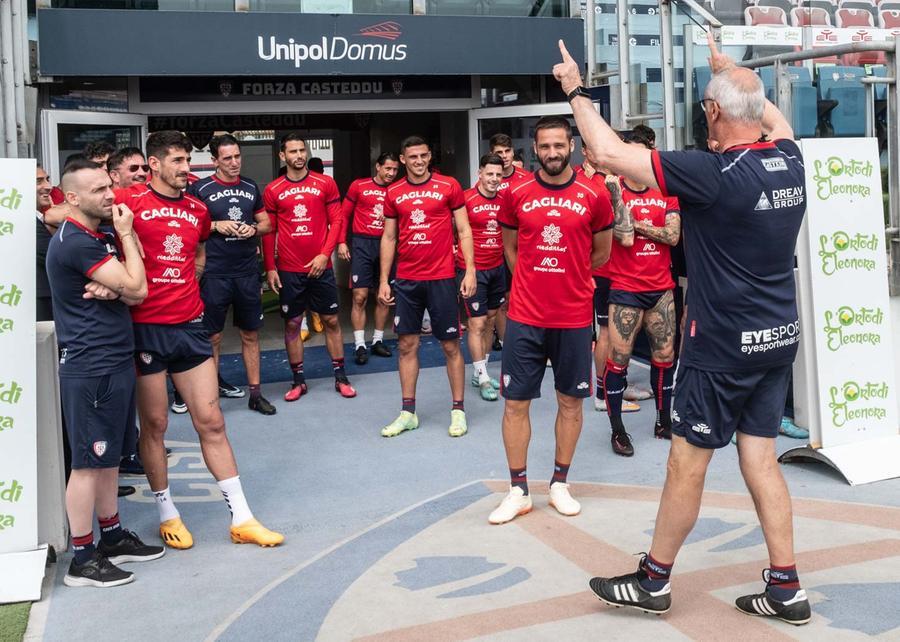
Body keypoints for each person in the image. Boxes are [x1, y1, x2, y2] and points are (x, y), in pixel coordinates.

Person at [555, 35, 811, 624]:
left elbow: (610, 153)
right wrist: (732, 72)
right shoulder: (790, 158)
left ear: (717, 112)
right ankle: (786, 587)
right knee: (761, 459)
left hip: (720, 347)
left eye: (705, 107)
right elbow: (775, 118)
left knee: (686, 462)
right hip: (775, 339)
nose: (704, 117)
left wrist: (576, 91)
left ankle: (653, 580)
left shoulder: (715, 173)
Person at [117, 130, 283, 549]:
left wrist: (186, 282)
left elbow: (199, 255)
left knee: (211, 421)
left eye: (187, 160)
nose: (186, 169)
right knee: (155, 424)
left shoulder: (197, 208)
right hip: (146, 329)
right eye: (177, 161)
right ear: (154, 164)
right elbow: (66, 213)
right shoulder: (130, 202)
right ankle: (166, 511)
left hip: (190, 325)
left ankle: (242, 518)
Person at [489, 116, 613, 525]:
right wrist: (532, 281)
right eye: (545, 146)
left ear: (572, 146)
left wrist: (570, 278)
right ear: (535, 150)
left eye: (559, 145)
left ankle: (560, 482)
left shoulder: (594, 194)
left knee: (570, 403)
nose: (552, 153)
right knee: (515, 404)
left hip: (574, 316)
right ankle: (519, 489)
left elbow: (602, 252)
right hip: (525, 316)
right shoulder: (515, 191)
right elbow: (511, 249)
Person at [46, 159, 164, 587]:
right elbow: (139, 288)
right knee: (87, 463)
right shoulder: (78, 242)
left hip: (114, 358)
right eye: (98, 190)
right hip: (90, 365)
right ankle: (82, 558)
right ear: (72, 198)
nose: (110, 194)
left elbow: (133, 292)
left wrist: (119, 284)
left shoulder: (99, 237)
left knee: (109, 456)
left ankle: (111, 535)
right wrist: (125, 263)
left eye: (108, 187)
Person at [378, 135, 476, 438]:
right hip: (407, 280)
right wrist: (383, 279)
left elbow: (463, 229)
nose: (419, 161)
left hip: (442, 278)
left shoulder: (448, 186)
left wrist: (470, 270)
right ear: (403, 160)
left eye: (423, 156)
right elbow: (389, 237)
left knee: (450, 345)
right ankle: (408, 412)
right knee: (407, 345)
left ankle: (458, 410)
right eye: (413, 157)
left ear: (429, 156)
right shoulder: (394, 192)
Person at [602, 129, 681, 457]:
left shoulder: (666, 190)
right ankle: (617, 430)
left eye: (640, 155)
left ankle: (663, 421)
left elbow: (673, 236)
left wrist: (640, 225)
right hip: (626, 290)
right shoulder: (613, 190)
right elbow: (623, 238)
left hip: (661, 288)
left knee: (665, 358)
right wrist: (619, 200)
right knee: (618, 361)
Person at [262, 133, 356, 402]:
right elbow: (269, 232)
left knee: (332, 321)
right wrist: (270, 267)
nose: (299, 156)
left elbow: (336, 220)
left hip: (320, 266)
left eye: (302, 150)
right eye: (292, 151)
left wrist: (324, 256)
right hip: (290, 270)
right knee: (292, 324)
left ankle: (340, 376)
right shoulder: (273, 190)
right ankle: (298, 380)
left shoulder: (325, 183)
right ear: (283, 156)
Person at [188, 134, 276, 415]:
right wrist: (216, 225)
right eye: (227, 158)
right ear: (214, 160)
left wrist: (253, 228)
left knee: (250, 334)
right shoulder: (200, 189)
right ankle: (210, 399)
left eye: (237, 156)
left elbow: (266, 223)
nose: (235, 162)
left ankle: (255, 394)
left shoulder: (250, 186)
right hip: (214, 273)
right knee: (212, 337)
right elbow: (189, 227)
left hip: (247, 272)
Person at [576, 140, 642, 418]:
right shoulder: (580, 182)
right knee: (606, 333)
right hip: (601, 271)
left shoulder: (619, 178)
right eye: (594, 148)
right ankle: (602, 395)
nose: (600, 152)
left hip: (626, 270)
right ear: (584, 151)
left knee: (625, 335)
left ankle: (618, 385)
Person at [337, 152, 400, 364]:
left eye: (395, 170)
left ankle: (378, 340)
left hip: (387, 244)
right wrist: (342, 241)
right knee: (359, 296)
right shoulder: (359, 186)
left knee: (384, 295)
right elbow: (343, 214)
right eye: (388, 168)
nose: (391, 173)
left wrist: (394, 219)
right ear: (378, 167)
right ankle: (359, 344)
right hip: (363, 243)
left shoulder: (398, 190)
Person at [460, 154, 508, 401]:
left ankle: (481, 371)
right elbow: (453, 233)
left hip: (497, 268)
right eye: (489, 174)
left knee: (490, 322)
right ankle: (483, 376)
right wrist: (466, 271)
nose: (494, 179)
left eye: (498, 174)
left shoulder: (505, 200)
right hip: (473, 271)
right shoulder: (466, 199)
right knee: (476, 324)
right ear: (480, 173)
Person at [488, 134, 530, 351]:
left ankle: (528, 342)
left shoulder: (526, 178)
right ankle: (508, 345)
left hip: (524, 250)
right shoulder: (488, 179)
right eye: (499, 153)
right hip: (496, 250)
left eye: (507, 152)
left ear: (513, 153)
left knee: (524, 299)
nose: (504, 157)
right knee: (502, 303)